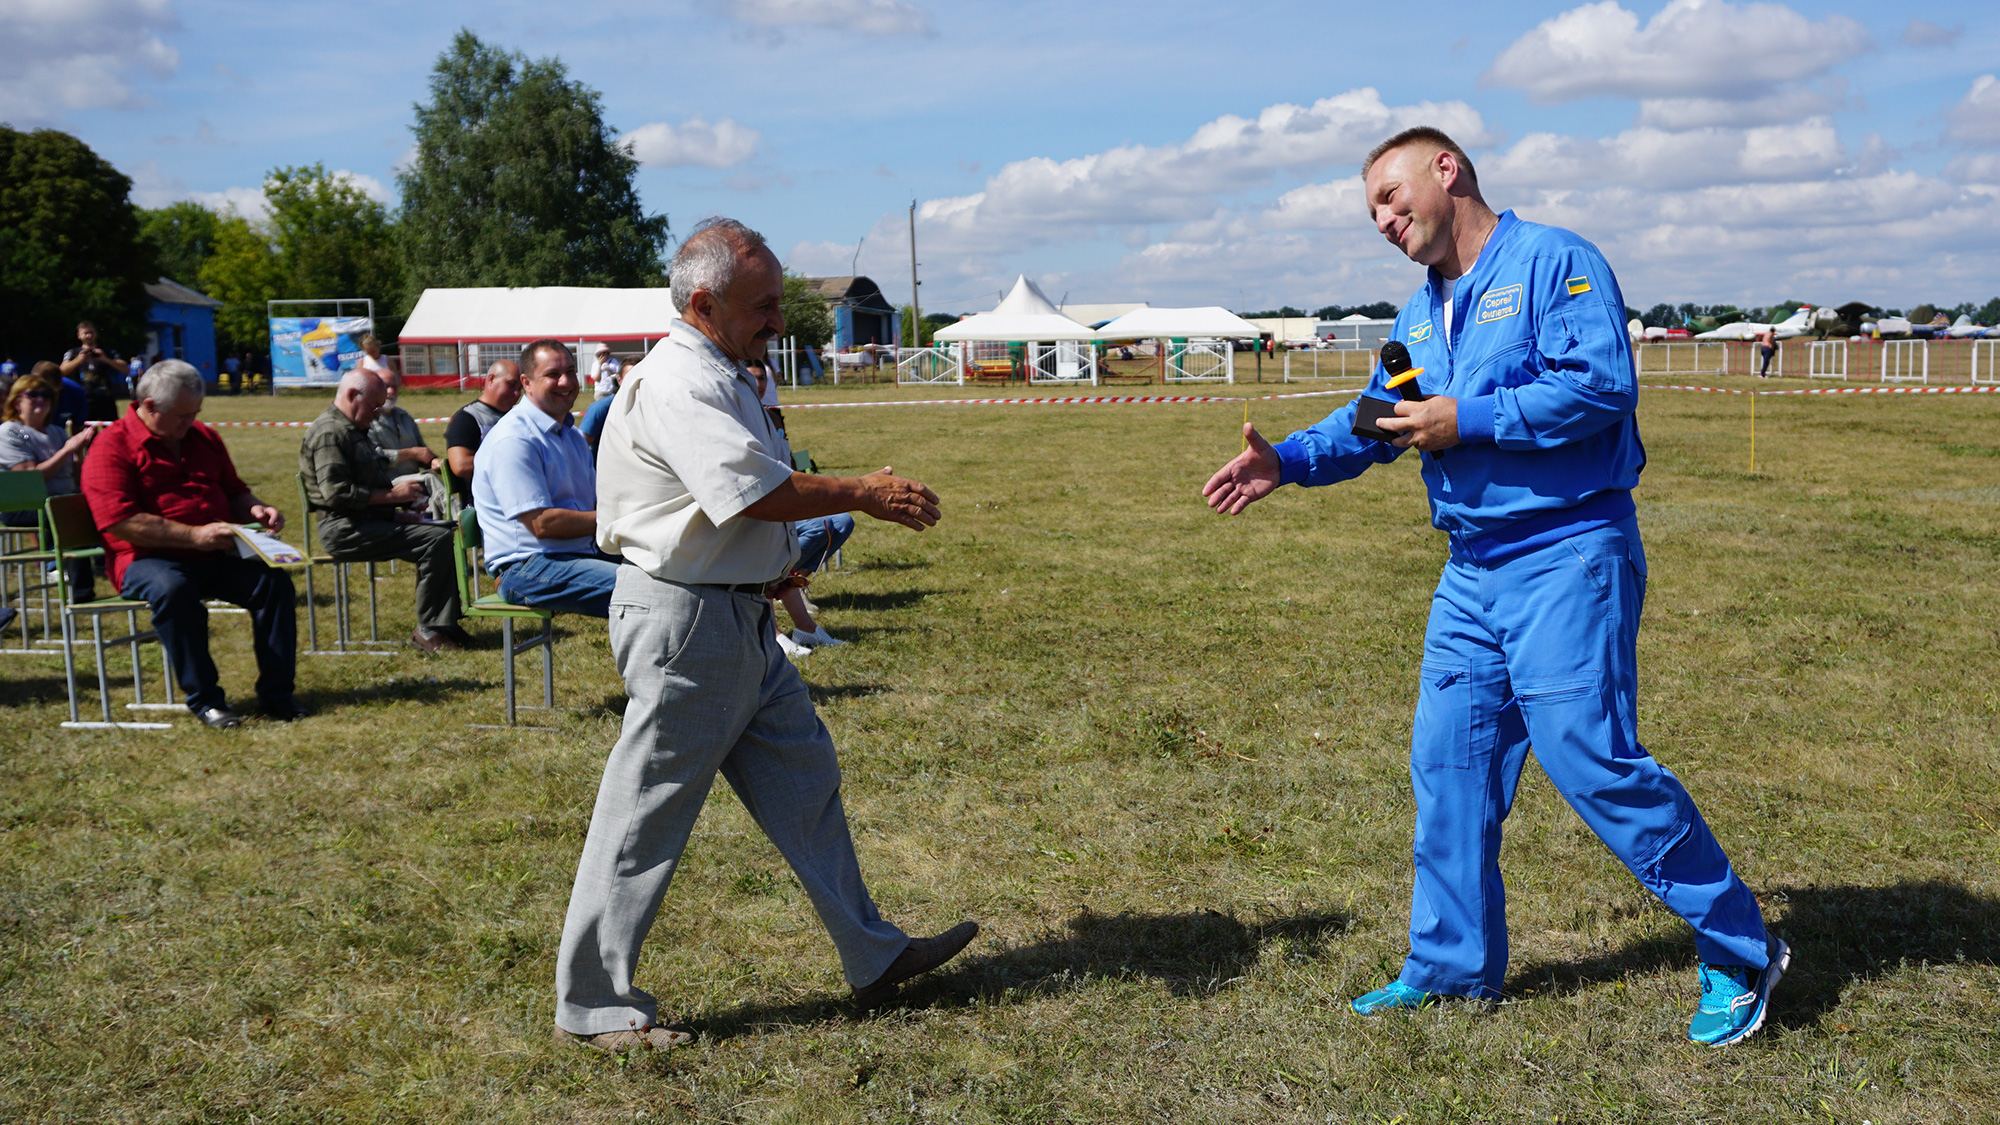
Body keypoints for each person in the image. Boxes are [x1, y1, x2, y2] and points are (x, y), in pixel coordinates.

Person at [1201, 127, 1785, 1047]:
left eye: (1390, 196)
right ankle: (1451, 968)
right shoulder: (1416, 316)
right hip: (1469, 573)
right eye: (1371, 213)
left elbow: (1601, 385)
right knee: (1449, 768)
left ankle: (1741, 944)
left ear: (1448, 170)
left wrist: (1467, 418)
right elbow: (1380, 417)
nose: (1382, 220)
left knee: (1591, 760)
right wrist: (1291, 459)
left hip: (1567, 552)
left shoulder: (1555, 261)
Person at [552, 218, 974, 1052]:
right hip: (688, 624)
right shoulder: (680, 379)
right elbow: (745, 491)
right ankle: (591, 1005)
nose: (779, 319)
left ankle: (874, 955)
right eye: (764, 304)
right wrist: (861, 491)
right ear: (704, 304)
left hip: (730, 614)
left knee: (805, 779)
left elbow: (732, 498)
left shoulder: (721, 370)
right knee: (643, 815)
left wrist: (772, 571)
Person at [78, 360, 301, 728]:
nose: (190, 422)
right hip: (145, 558)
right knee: (174, 589)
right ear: (149, 406)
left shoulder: (203, 438)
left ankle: (278, 695)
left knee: (273, 583)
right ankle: (207, 700)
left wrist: (255, 508)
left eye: (195, 413)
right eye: (182, 415)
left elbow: (234, 490)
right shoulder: (111, 445)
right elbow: (120, 521)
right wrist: (194, 535)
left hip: (212, 554)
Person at [301, 370, 468, 654]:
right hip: (343, 529)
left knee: (444, 530)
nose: (377, 414)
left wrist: (398, 511)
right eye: (374, 406)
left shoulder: (353, 430)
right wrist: (393, 496)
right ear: (352, 395)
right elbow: (337, 494)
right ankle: (429, 628)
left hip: (365, 521)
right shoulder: (330, 432)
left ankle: (445, 623)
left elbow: (367, 482)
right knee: (434, 540)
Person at [471, 340, 617, 618]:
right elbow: (542, 524)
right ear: (526, 383)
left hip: (578, 554)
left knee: (670, 567)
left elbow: (597, 503)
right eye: (553, 374)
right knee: (643, 589)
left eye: (571, 372)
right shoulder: (513, 439)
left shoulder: (572, 436)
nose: (566, 382)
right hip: (526, 568)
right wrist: (619, 518)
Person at [0, 372, 96, 600]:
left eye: (47, 395)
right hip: (22, 505)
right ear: (17, 402)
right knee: (73, 514)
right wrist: (67, 450)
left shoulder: (56, 431)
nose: (41, 399)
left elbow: (74, 478)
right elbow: (31, 478)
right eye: (33, 394)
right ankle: (81, 593)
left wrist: (78, 452)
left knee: (100, 508)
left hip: (59, 500)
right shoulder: (9, 431)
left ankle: (106, 570)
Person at [444, 359, 523, 507]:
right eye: (511, 385)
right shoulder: (468, 418)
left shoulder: (518, 417)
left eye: (520, 388)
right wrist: (512, 465)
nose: (516, 393)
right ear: (491, 380)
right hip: (484, 507)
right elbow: (461, 465)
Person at [367, 368, 441, 479]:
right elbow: (374, 457)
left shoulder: (405, 417)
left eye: (395, 387)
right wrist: (411, 453)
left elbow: (422, 451)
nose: (391, 391)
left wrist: (433, 461)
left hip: (414, 479)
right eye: (386, 386)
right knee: (429, 479)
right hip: (385, 482)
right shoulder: (366, 419)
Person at [60, 320, 131, 422]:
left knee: (111, 427)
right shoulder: (73, 353)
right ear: (79, 335)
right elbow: (61, 371)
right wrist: (78, 360)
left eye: (91, 332)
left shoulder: (107, 351)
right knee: (85, 427)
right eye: (85, 333)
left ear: (96, 334)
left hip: (105, 396)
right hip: (82, 396)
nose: (89, 336)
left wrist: (105, 359)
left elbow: (125, 368)